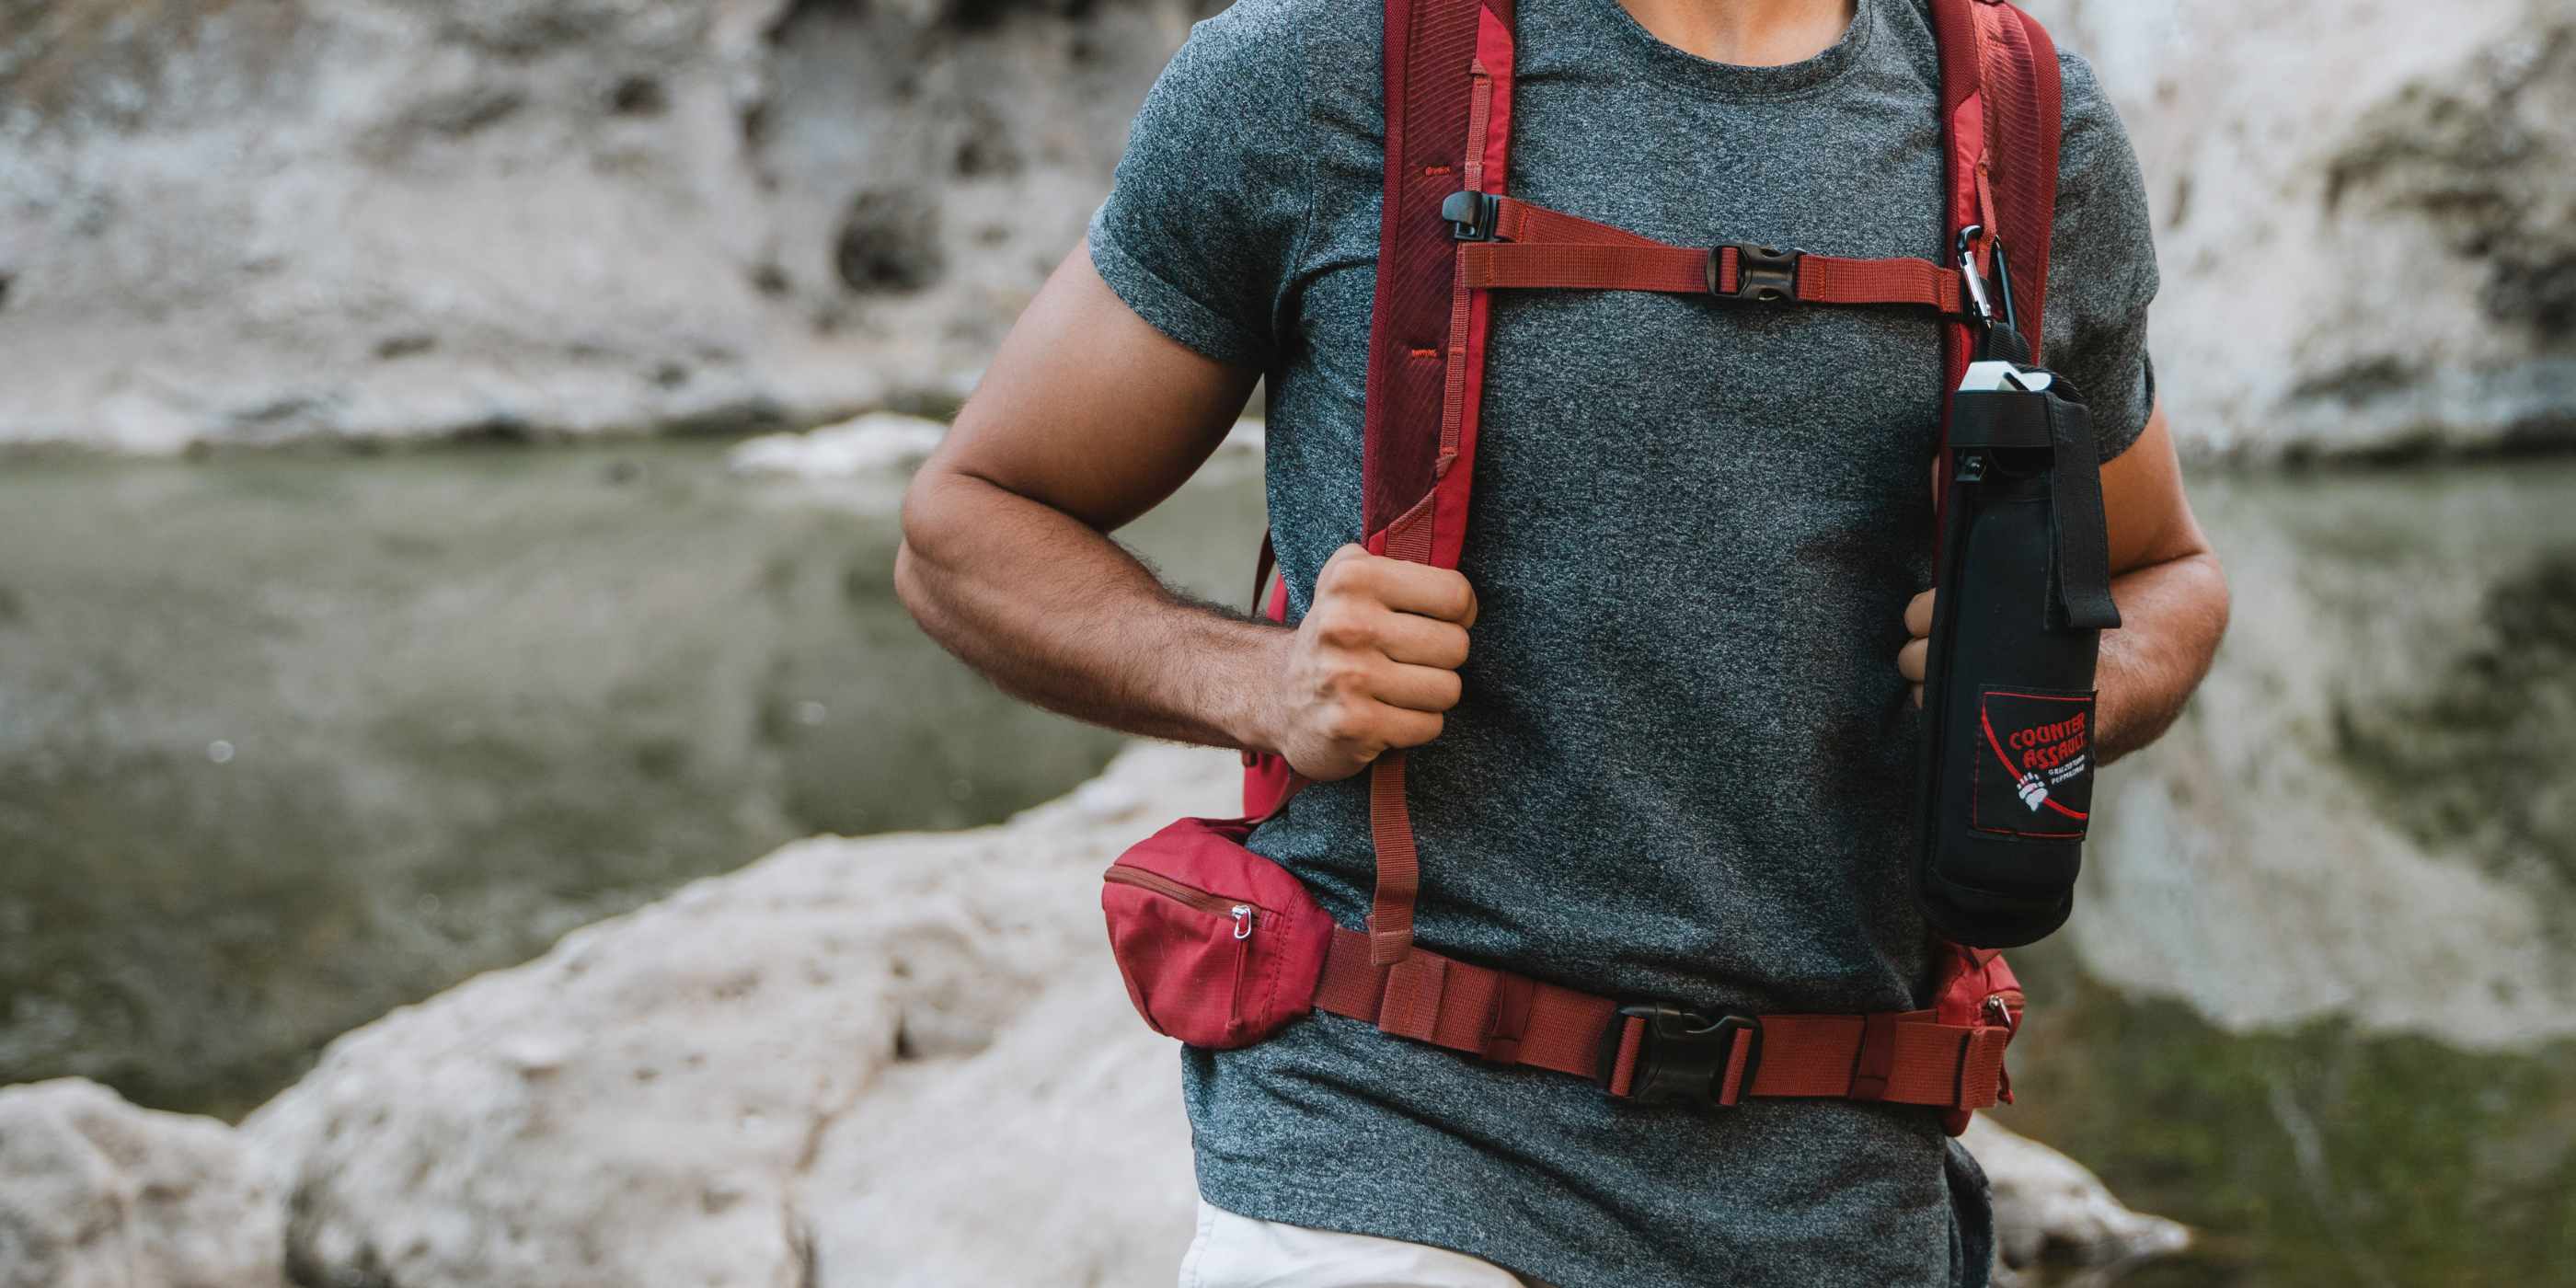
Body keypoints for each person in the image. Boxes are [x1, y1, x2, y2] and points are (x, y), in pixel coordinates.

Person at [894, 0, 2230, 1282]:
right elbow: (969, 529)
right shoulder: (1319, 69)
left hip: (1846, 1189)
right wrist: (1265, 681)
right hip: (1390, 1144)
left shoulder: (2018, 118)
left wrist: (2059, 687)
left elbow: (2166, 574)